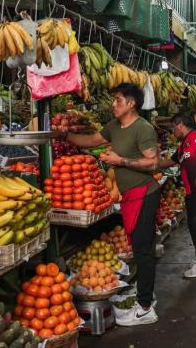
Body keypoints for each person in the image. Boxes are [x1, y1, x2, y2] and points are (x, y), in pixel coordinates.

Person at [65, 83, 160, 326]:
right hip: (129, 197)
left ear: (131, 104)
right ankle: (146, 295)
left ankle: (145, 308)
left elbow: (152, 163)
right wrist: (63, 136)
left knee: (143, 250)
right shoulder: (114, 126)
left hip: (144, 195)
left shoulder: (143, 128)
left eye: (118, 100)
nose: (113, 104)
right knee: (138, 246)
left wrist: (120, 160)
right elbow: (90, 140)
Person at [158, 114, 196, 278]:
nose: (172, 132)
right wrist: (152, 163)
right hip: (192, 191)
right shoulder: (183, 145)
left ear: (180, 125)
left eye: (173, 128)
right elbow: (171, 162)